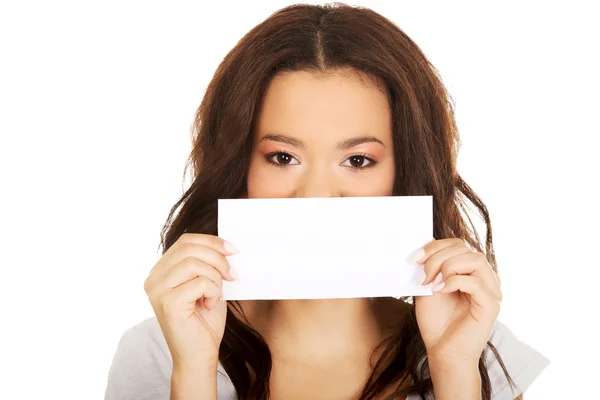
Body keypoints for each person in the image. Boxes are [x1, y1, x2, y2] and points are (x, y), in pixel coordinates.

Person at [104, 3, 549, 399]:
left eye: (357, 159)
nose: (317, 194)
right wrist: (194, 371)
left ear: (404, 169)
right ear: (238, 164)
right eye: (283, 157)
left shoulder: (476, 350)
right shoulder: (160, 352)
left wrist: (453, 371)